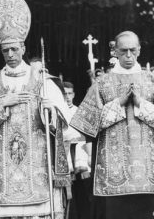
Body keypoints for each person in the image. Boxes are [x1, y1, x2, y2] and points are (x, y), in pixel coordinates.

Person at [0, 0, 71, 219]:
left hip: (38, 164)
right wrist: (2, 104)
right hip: (4, 166)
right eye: (5, 50)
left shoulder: (43, 80)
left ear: (23, 47)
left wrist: (51, 111)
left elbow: (65, 122)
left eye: (14, 49)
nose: (10, 55)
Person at [70, 31, 154, 219]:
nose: (129, 55)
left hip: (148, 169)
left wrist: (140, 103)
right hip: (113, 169)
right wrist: (119, 103)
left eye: (133, 50)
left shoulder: (153, 80)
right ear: (115, 51)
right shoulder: (102, 83)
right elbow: (90, 124)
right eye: (123, 51)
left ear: (139, 50)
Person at [63, 82, 92, 219]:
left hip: (79, 155)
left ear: (73, 95)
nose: (67, 97)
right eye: (64, 94)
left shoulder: (79, 111)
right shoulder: (58, 112)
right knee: (68, 193)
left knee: (82, 190)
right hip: (65, 154)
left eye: (69, 93)